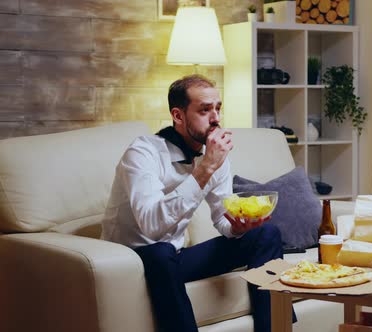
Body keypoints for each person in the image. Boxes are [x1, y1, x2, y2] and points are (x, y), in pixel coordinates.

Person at [101, 74, 293, 332]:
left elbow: (221, 218)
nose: (215, 118)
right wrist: (206, 168)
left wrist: (238, 227)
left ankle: (274, 329)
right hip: (133, 262)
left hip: (175, 259)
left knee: (266, 233)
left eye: (217, 108)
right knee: (160, 251)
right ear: (178, 116)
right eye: (204, 110)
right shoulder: (142, 153)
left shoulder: (213, 155)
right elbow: (152, 227)